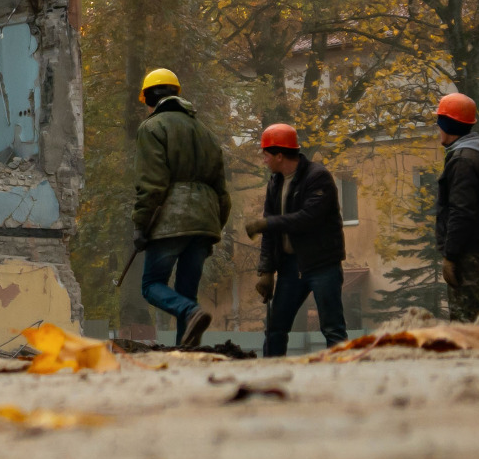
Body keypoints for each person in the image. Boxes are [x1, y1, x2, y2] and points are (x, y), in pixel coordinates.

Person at [133, 68, 230, 348]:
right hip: (205, 223)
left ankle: (190, 314)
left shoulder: (151, 128)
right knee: (187, 293)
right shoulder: (207, 134)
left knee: (152, 285)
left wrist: (140, 225)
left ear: (149, 98)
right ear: (177, 95)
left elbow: (152, 185)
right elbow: (222, 193)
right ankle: (187, 353)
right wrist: (213, 230)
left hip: (169, 221)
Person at [242, 124, 347, 355]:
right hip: (290, 267)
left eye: (266, 154)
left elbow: (307, 219)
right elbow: (270, 232)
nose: (263, 160)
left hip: (322, 264)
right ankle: (270, 378)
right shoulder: (275, 182)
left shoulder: (318, 177)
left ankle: (342, 377)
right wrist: (267, 272)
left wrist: (267, 224)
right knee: (275, 329)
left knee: (333, 329)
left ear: (280, 155)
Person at [434, 91, 479, 322]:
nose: (437, 129)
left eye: (439, 122)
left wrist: (450, 256)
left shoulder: (463, 160)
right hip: (477, 251)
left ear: (447, 124)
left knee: (467, 325)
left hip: (467, 255)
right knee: (476, 320)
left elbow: (461, 212)